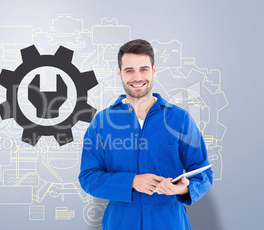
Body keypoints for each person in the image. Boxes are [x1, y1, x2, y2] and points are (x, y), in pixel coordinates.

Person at [78, 39, 213, 229]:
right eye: (129, 70)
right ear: (119, 73)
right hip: (121, 222)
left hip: (169, 222)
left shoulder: (179, 119)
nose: (137, 77)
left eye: (143, 69)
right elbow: (88, 177)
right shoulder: (101, 123)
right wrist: (131, 181)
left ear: (154, 70)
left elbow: (203, 170)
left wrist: (185, 188)